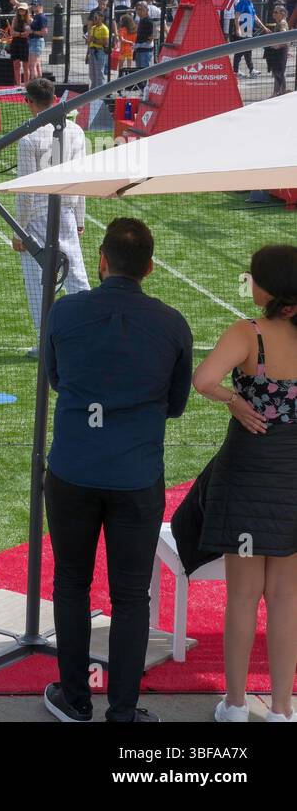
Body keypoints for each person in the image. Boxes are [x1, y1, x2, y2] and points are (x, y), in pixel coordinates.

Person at [43, 217, 193, 723]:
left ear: (102, 261)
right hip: (135, 478)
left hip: (72, 472)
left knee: (71, 583)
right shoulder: (172, 324)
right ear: (149, 268)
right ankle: (123, 712)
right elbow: (175, 405)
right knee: (132, 595)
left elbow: (58, 379)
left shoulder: (64, 313)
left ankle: (75, 698)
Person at [190, 245, 297, 724]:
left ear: (267, 290)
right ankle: (281, 708)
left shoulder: (248, 333)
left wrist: (234, 399)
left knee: (241, 598)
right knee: (286, 600)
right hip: (292, 480)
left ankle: (234, 705)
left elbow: (203, 380)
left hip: (247, 475)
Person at [13, 78, 91, 341]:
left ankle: (45, 341)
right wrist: (79, 217)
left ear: (31, 103)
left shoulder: (28, 139)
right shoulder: (76, 131)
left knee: (38, 284)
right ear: (54, 99)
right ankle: (90, 330)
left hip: (37, 217)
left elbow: (26, 191)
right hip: (66, 212)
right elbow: (81, 177)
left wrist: (19, 230)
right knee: (77, 276)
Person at [264, 5, 290, 97]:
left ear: (282, 14)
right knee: (278, 73)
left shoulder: (282, 23)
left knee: (278, 73)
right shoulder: (280, 22)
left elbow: (284, 35)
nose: (273, 13)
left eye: (276, 12)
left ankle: (278, 93)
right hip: (281, 51)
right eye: (274, 11)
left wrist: (277, 45)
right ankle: (279, 93)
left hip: (279, 52)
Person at [85, 9, 110, 90]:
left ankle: (101, 91)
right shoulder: (93, 28)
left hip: (99, 51)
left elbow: (106, 43)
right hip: (92, 51)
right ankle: (93, 90)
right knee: (92, 73)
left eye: (96, 18)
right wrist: (87, 53)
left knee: (99, 72)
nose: (94, 19)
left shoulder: (104, 29)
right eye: (94, 17)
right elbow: (90, 41)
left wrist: (94, 40)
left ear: (101, 18)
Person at [8, 4, 31, 86]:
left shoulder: (29, 20)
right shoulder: (15, 19)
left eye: (23, 10)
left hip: (25, 43)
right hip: (15, 43)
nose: (22, 11)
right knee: (16, 65)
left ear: (26, 11)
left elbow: (28, 33)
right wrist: (21, 34)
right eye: (20, 9)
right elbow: (12, 33)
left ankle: (26, 84)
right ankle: (18, 84)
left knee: (26, 65)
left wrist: (18, 34)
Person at [27, 0, 48, 80]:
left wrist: (32, 31)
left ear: (40, 6)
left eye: (35, 5)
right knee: (37, 65)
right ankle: (39, 85)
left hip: (37, 41)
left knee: (32, 65)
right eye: (33, 5)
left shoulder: (41, 17)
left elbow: (44, 32)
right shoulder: (36, 16)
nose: (33, 7)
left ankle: (34, 85)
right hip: (34, 41)